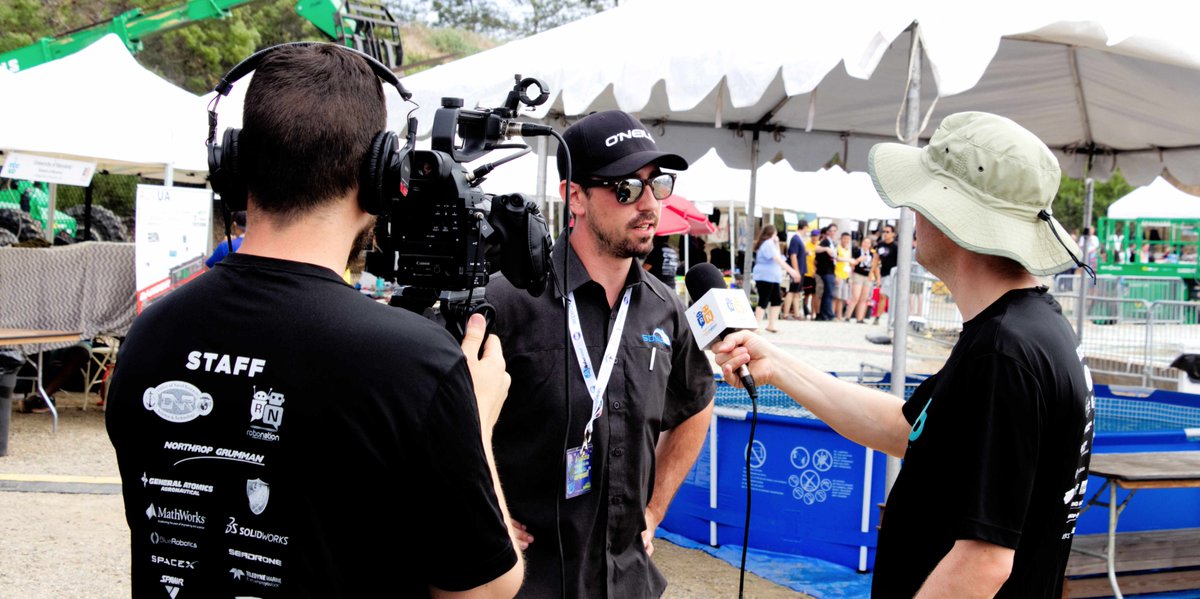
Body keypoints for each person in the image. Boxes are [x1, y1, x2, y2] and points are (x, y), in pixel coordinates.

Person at [105, 44, 523, 598]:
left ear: (232, 164)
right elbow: (485, 590)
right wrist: (478, 422)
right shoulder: (414, 363)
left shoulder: (149, 333)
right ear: (382, 173)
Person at [714, 112, 1095, 598]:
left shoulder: (1004, 352)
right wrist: (779, 366)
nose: (912, 213)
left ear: (953, 213)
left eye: (923, 196)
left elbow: (983, 563)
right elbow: (906, 428)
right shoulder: (1027, 329)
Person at [486, 110, 716, 598]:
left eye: (658, 185)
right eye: (627, 189)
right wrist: (489, 513)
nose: (649, 204)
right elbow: (444, 423)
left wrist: (654, 510)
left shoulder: (664, 309)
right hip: (529, 583)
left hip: (629, 580)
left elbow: (698, 402)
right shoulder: (506, 302)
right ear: (576, 197)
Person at [752, 223, 802, 333]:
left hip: (771, 277)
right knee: (764, 300)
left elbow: (778, 256)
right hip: (766, 276)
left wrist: (777, 244)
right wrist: (792, 271)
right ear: (773, 233)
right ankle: (756, 326)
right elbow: (777, 259)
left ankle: (771, 324)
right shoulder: (768, 244)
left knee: (776, 300)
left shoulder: (767, 243)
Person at [872, 223, 898, 325]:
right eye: (884, 232)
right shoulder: (880, 244)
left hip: (892, 274)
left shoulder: (896, 246)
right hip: (882, 273)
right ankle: (879, 317)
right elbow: (876, 259)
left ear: (893, 234)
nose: (885, 234)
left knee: (884, 295)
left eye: (888, 232)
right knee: (883, 295)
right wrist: (873, 273)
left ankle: (879, 318)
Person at [783, 220, 809, 319]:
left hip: (800, 269)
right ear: (804, 227)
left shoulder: (799, 239)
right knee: (792, 291)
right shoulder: (795, 239)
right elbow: (793, 255)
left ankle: (796, 313)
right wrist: (796, 271)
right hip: (797, 270)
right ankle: (786, 313)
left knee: (797, 292)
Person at [847, 236, 875, 323]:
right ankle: (848, 316)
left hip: (867, 276)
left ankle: (860, 318)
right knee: (855, 296)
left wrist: (872, 274)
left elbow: (874, 265)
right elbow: (852, 264)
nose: (866, 244)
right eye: (864, 242)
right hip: (858, 274)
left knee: (864, 298)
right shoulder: (857, 251)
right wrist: (859, 260)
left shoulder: (872, 254)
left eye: (868, 243)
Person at [814, 224, 839, 320]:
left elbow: (836, 258)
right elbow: (817, 248)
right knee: (828, 293)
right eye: (831, 231)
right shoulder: (826, 242)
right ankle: (828, 314)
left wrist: (848, 260)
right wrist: (826, 249)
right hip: (825, 271)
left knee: (828, 293)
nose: (833, 233)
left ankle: (825, 314)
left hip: (830, 270)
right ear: (828, 232)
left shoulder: (833, 243)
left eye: (834, 231)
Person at [833, 232, 853, 320]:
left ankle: (839, 315)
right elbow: (835, 259)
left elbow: (848, 264)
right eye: (844, 238)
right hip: (838, 274)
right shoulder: (837, 248)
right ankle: (832, 314)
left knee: (842, 298)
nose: (846, 240)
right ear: (841, 239)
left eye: (848, 239)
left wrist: (849, 276)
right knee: (836, 296)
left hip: (845, 275)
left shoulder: (848, 250)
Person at [803, 228, 819, 319]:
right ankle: (806, 312)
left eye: (816, 236)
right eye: (813, 236)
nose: (814, 237)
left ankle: (813, 314)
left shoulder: (819, 245)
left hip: (815, 274)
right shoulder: (806, 245)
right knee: (806, 294)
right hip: (807, 273)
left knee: (814, 295)